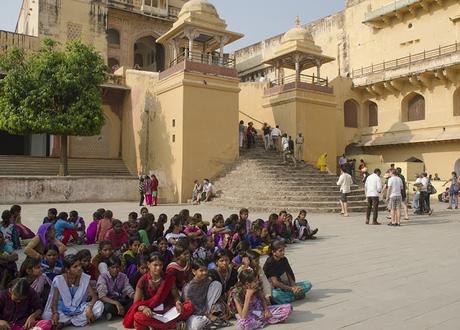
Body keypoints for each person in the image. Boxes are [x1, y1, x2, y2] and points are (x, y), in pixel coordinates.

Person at [122, 253, 193, 330]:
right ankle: (172, 325)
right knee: (138, 317)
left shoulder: (168, 278)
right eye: (155, 265)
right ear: (148, 265)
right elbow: (136, 303)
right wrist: (144, 308)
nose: (158, 268)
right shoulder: (143, 280)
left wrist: (178, 303)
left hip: (168, 310)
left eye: (161, 265)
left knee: (189, 306)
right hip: (152, 312)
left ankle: (157, 326)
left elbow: (176, 296)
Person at [42, 254, 104, 328]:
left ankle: (65, 323)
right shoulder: (59, 280)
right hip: (62, 309)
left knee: (99, 306)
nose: (79, 268)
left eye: (79, 265)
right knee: (46, 315)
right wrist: (55, 313)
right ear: (67, 269)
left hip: (79, 308)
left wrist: (89, 308)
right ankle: (76, 320)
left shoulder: (84, 277)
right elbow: (54, 301)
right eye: (75, 267)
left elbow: (94, 297)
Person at [263, 240, 312, 305]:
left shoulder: (284, 259)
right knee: (275, 295)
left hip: (285, 286)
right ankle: (293, 297)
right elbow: (275, 283)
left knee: (308, 284)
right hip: (274, 288)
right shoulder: (270, 262)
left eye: (284, 250)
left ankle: (289, 297)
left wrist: (294, 287)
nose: (283, 252)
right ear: (273, 252)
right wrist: (291, 289)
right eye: (280, 251)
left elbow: (289, 275)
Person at [183, 259, 227, 330]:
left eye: (206, 270)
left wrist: (223, 304)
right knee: (196, 324)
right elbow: (190, 306)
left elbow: (212, 297)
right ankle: (209, 320)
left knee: (217, 284)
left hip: (207, 309)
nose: (204, 273)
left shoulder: (208, 281)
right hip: (195, 314)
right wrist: (207, 314)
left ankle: (209, 320)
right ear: (194, 272)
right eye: (201, 271)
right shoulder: (188, 288)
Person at [97, 256, 135, 321]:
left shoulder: (123, 276)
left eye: (117, 267)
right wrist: (116, 303)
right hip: (109, 301)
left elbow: (128, 289)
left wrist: (134, 296)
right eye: (113, 267)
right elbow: (102, 296)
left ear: (120, 267)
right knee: (108, 307)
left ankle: (116, 313)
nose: (115, 270)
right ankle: (123, 312)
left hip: (121, 300)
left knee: (133, 302)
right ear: (108, 268)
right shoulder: (103, 277)